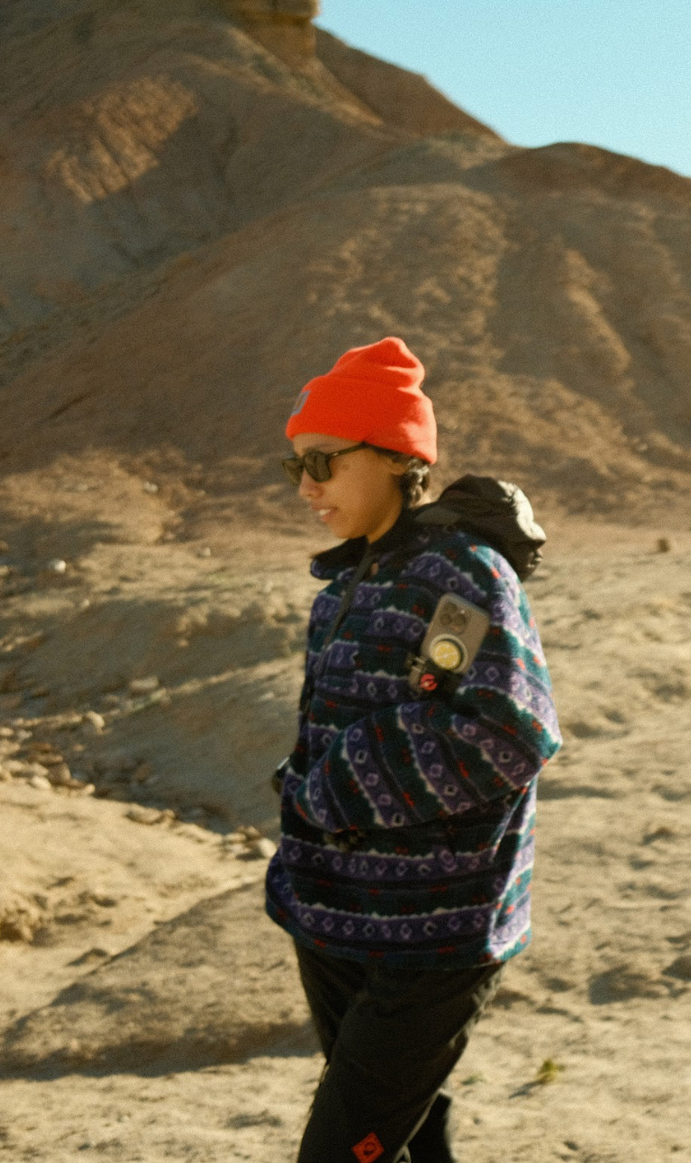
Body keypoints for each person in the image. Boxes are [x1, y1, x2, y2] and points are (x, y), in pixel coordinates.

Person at [265, 336, 561, 1163]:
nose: (307, 486)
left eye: (322, 461)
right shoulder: (350, 581)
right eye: (294, 466)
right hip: (333, 920)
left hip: (429, 937)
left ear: (398, 458)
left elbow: (503, 730)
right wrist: (302, 796)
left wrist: (331, 786)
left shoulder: (459, 575)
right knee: (404, 1141)